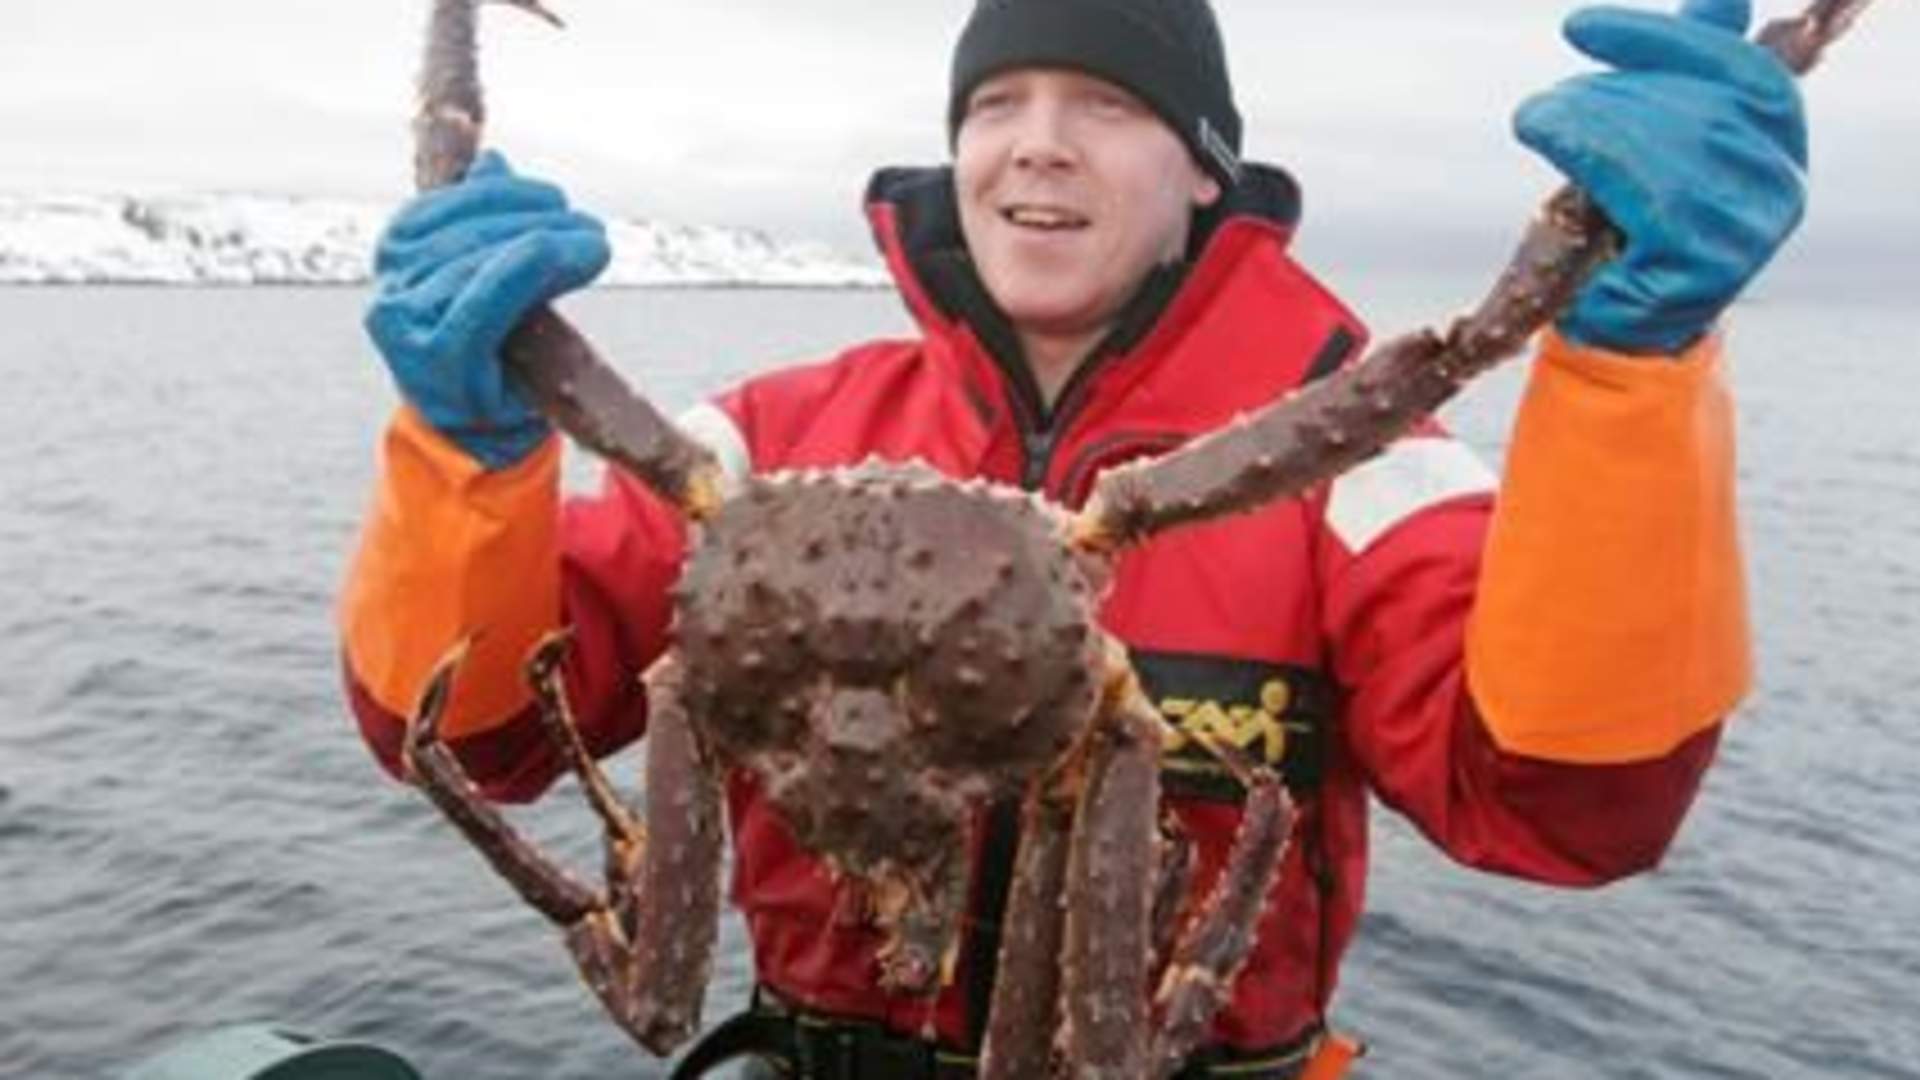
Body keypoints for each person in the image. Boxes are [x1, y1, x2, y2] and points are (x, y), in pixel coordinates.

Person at [339, 0, 1808, 1075]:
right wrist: (471, 458)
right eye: (997, 104)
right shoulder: (762, 447)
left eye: (1108, 105)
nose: (1038, 145)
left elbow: (1569, 807)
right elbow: (464, 729)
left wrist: (1629, 374)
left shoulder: (1360, 468)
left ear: (1205, 168)